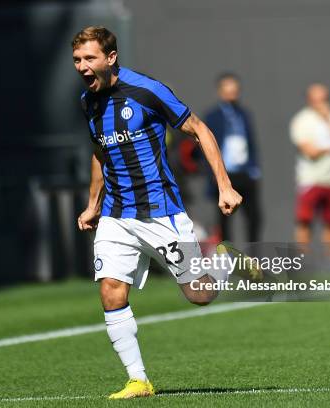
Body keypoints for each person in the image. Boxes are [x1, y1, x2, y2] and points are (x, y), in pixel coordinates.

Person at [72, 26, 242, 399]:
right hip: (117, 215)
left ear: (111, 58)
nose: (83, 67)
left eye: (90, 58)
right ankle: (139, 380)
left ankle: (225, 263)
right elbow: (101, 152)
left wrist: (225, 184)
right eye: (77, 60)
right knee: (111, 292)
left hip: (160, 212)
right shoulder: (88, 101)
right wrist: (93, 204)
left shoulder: (147, 91)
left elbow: (199, 130)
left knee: (199, 295)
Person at [290, 84, 330, 261]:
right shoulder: (302, 120)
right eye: (317, 99)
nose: (321, 103)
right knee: (305, 221)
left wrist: (329, 121)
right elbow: (310, 152)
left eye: (324, 99)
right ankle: (302, 258)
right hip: (310, 179)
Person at [204, 73, 262, 243]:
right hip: (224, 175)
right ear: (220, 91)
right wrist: (214, 175)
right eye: (228, 89)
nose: (232, 93)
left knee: (254, 218)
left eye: (235, 90)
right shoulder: (213, 116)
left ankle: (254, 261)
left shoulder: (244, 114)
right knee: (225, 220)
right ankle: (227, 262)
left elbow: (251, 143)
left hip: (245, 173)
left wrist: (254, 169)